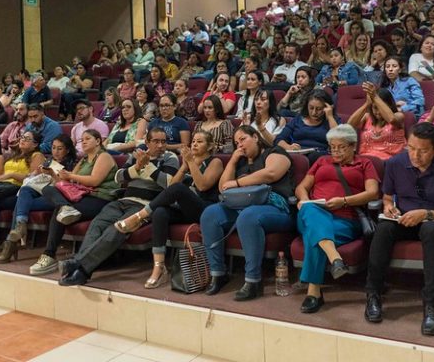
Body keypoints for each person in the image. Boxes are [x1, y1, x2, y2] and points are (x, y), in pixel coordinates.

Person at [364, 122, 434, 336]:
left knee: (430, 229)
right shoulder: (395, 163)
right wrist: (388, 206)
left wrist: (426, 213)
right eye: (411, 148)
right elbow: (386, 196)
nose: (415, 155)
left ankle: (431, 304)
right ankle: (373, 294)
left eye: (423, 151)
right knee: (383, 228)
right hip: (406, 218)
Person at [58, 128, 180, 286]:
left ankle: (79, 267)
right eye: (156, 141)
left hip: (145, 206)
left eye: (164, 141)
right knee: (97, 224)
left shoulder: (170, 158)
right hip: (123, 200)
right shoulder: (137, 154)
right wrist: (136, 167)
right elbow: (119, 177)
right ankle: (81, 267)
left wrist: (148, 167)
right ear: (148, 142)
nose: (161, 145)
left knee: (116, 229)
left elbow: (169, 184)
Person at [113, 131, 223, 288]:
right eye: (193, 141)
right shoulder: (189, 162)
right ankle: (159, 267)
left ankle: (139, 217)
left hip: (204, 209)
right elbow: (170, 189)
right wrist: (184, 167)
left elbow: (202, 185)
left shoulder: (215, 162)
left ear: (210, 146)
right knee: (160, 212)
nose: (194, 144)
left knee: (179, 188)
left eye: (200, 142)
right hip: (184, 208)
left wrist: (190, 162)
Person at [201, 125, 294, 301]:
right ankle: (218, 273)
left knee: (248, 217)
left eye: (243, 139)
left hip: (276, 208)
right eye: (236, 143)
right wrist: (233, 161)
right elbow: (223, 188)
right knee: (210, 214)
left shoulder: (274, 152)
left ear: (256, 137)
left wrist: (238, 183)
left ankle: (253, 281)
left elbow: (271, 174)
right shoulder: (241, 161)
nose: (240, 145)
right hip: (243, 206)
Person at [294, 124, 379, 313]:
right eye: (332, 147)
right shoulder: (322, 161)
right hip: (313, 212)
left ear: (353, 146)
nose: (335, 151)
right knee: (311, 211)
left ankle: (314, 292)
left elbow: (373, 192)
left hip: (346, 219)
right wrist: (305, 200)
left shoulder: (364, 163)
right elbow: (301, 188)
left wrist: (344, 201)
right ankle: (335, 259)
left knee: (315, 237)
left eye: (341, 147)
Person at [0, 130, 119, 263]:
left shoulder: (103, 156)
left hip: (99, 197)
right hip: (79, 195)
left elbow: (94, 181)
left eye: (87, 139)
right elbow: (67, 184)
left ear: (98, 141)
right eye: (81, 139)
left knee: (51, 209)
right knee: (35, 191)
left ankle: (43, 252)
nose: (83, 141)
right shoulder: (83, 160)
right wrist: (52, 175)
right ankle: (25, 228)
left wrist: (70, 176)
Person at [276, 89, 338, 164]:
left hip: (318, 155)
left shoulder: (332, 120)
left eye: (319, 109)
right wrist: (288, 147)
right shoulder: (299, 119)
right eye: (311, 108)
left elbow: (338, 139)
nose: (314, 112)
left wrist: (330, 117)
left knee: (314, 156)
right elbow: (279, 139)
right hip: (297, 152)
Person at [348, 84, 406, 160]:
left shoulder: (399, 116)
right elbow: (349, 125)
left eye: (381, 108)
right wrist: (367, 104)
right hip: (366, 161)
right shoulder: (367, 117)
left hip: (389, 162)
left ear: (390, 106)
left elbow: (392, 119)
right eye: (375, 108)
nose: (378, 112)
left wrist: (375, 96)